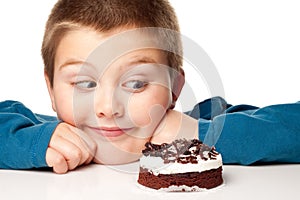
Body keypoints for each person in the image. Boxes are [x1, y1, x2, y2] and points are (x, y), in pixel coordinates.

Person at [0, 0, 299, 174]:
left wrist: (197, 137)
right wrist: (35, 144)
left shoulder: (205, 119)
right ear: (51, 89)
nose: (107, 108)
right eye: (84, 84)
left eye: (136, 84)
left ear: (175, 88)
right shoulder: (42, 135)